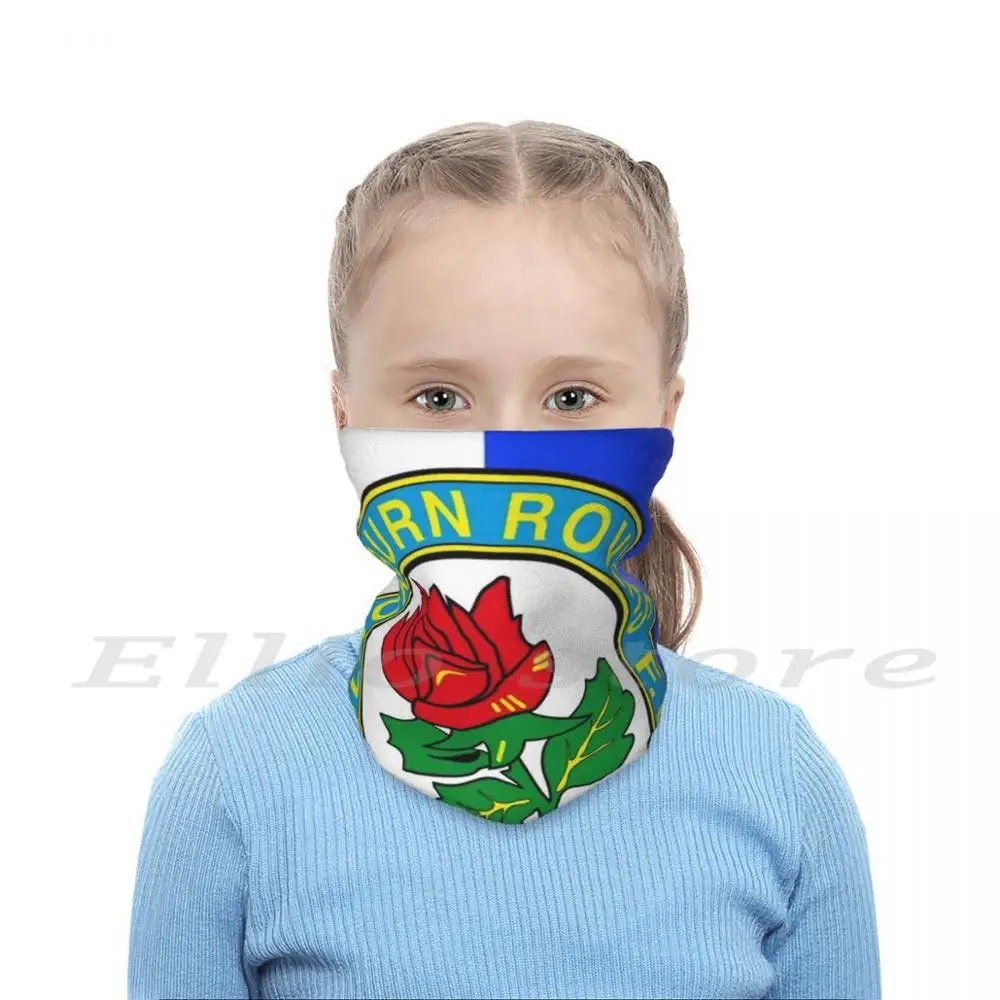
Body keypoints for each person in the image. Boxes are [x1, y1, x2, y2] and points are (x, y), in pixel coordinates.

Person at [127, 120, 881, 999]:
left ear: (664, 414)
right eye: (438, 396)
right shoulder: (236, 776)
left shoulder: (777, 776)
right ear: (345, 415)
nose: (508, 451)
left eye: (574, 396)